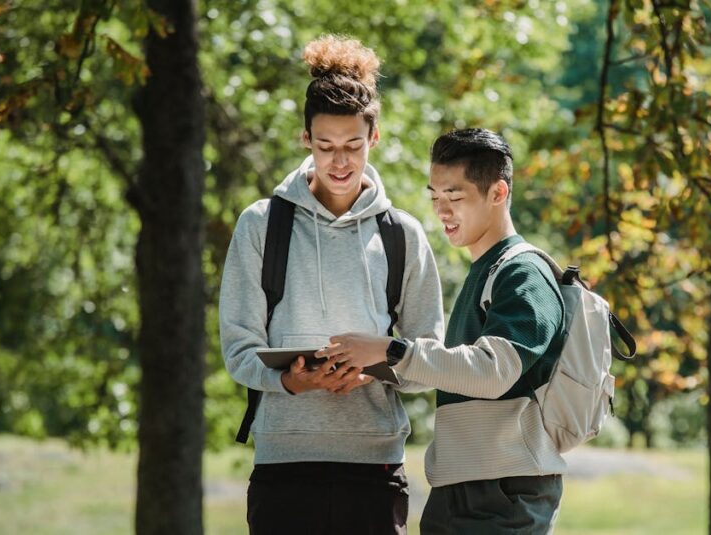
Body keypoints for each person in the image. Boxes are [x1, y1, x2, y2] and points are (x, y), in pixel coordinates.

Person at [219, 35, 444, 535]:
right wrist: (292, 380)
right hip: (283, 463)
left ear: (375, 138)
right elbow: (238, 348)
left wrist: (376, 367)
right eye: (325, 147)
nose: (339, 162)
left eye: (352, 146)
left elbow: (429, 356)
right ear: (305, 139)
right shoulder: (261, 226)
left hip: (374, 466)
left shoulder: (402, 234)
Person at [324, 128, 567, 534]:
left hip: (503, 493)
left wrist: (391, 350)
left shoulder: (522, 274)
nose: (442, 211)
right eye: (435, 197)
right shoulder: (486, 271)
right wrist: (378, 367)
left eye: (455, 197)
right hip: (462, 487)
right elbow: (459, 371)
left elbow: (493, 371)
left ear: (498, 193)